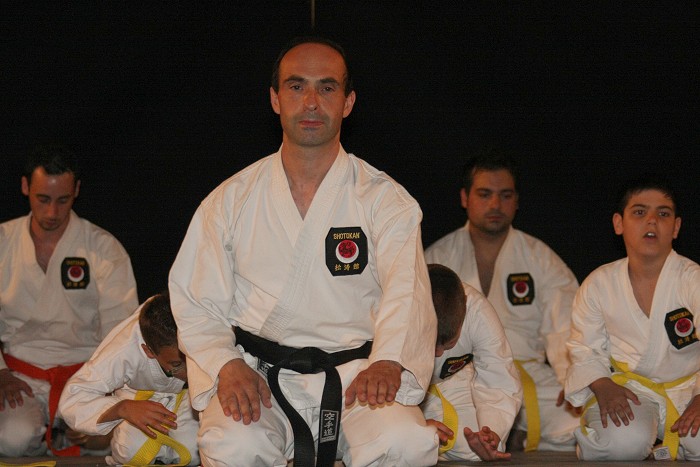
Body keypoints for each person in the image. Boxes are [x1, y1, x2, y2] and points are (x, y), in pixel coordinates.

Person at [168, 36, 438, 467]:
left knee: (406, 442)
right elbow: (196, 300)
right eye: (296, 86)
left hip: (357, 378)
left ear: (348, 102)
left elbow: (407, 292)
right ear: (275, 99)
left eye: (327, 87)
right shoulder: (230, 200)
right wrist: (225, 364)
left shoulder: (385, 200)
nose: (311, 102)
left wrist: (389, 360)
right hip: (258, 375)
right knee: (232, 446)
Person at [424, 149, 580, 452]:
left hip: (530, 374)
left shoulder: (541, 258)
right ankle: (516, 437)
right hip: (460, 375)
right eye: (484, 194)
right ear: (465, 198)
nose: (495, 204)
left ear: (517, 201)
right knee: (449, 422)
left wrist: (571, 378)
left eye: (505, 195)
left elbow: (564, 327)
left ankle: (516, 436)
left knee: (590, 421)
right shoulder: (439, 257)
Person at [0, 143, 139, 457]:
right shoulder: (3, 242)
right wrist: (1, 373)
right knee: (11, 440)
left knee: (115, 442)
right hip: (19, 375)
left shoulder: (103, 248)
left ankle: (67, 435)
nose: (52, 212)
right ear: (25, 187)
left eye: (62, 200)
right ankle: (48, 434)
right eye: (43, 199)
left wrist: (106, 388)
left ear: (76, 190)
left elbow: (121, 330)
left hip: (87, 374)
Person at [565, 177, 700, 461]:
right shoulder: (599, 283)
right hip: (630, 389)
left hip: (690, 390)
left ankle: (667, 444)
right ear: (619, 223)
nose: (652, 221)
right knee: (621, 444)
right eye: (639, 212)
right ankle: (612, 438)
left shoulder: (692, 279)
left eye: (663, 214)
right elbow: (584, 348)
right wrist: (602, 385)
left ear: (676, 227)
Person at [59, 292, 199, 466]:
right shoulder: (124, 350)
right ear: (148, 351)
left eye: (193, 358)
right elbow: (73, 399)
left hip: (192, 394)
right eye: (177, 364)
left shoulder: (204, 321)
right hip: (139, 396)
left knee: (198, 450)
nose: (189, 370)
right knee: (132, 454)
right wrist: (121, 408)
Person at [422, 264, 522, 462]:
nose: (438, 353)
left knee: (476, 451)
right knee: (403, 441)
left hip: (449, 382)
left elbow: (497, 380)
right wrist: (414, 422)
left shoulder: (478, 314)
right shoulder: (396, 305)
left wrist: (492, 433)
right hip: (394, 390)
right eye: (431, 344)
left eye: (448, 344)